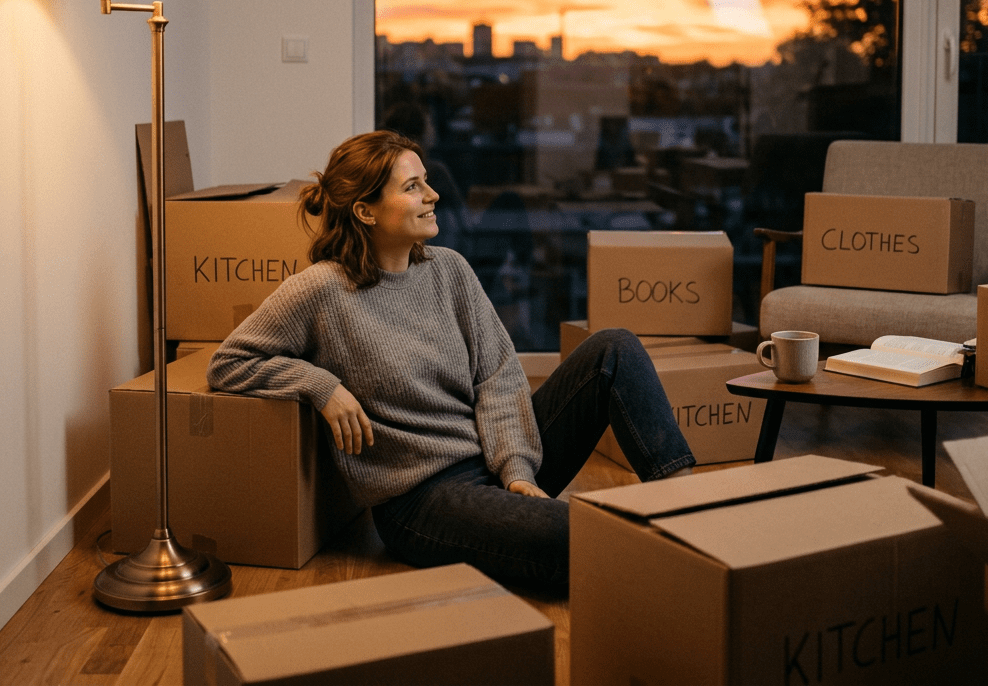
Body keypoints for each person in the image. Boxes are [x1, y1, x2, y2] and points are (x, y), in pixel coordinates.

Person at [206, 130, 695, 591]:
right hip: (423, 500)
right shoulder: (322, 290)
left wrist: (517, 472)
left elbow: (498, 376)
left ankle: (690, 512)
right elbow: (231, 361)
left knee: (613, 347)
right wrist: (320, 386)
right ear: (366, 211)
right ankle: (687, 567)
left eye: (427, 182)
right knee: (592, 534)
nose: (433, 195)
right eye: (413, 187)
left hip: (497, 460)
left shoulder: (450, 270)